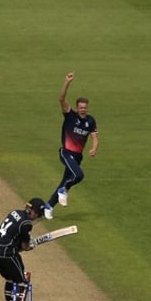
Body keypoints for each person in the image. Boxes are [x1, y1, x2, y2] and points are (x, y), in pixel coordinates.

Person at [43, 71, 98, 220]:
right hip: (66, 153)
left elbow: (94, 135)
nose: (83, 109)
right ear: (77, 107)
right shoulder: (70, 115)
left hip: (78, 156)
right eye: (80, 107)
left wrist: (94, 147)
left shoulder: (90, 121)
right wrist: (67, 82)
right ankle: (63, 190)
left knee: (65, 182)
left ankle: (48, 207)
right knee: (79, 175)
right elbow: (61, 98)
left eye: (85, 107)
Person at [0, 198, 47, 301]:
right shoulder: (26, 224)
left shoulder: (14, 212)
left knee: (10, 279)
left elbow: (12, 235)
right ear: (33, 211)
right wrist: (31, 245)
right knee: (21, 281)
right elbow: (25, 246)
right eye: (38, 214)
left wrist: (20, 246)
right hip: (7, 254)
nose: (37, 217)